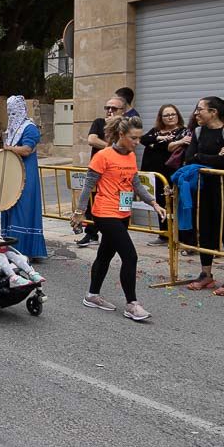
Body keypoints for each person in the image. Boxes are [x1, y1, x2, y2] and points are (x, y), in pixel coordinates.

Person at [71, 116, 165, 322]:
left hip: (123, 212)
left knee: (105, 255)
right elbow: (88, 186)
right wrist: (79, 212)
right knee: (130, 256)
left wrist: (154, 203)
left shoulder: (130, 155)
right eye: (134, 138)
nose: (137, 143)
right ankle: (132, 304)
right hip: (105, 212)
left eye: (139, 138)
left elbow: (136, 183)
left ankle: (92, 295)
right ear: (121, 135)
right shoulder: (103, 156)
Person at [182, 97, 224, 296]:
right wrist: (212, 158)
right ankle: (206, 274)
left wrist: (204, 158)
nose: (196, 113)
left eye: (200, 109)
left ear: (214, 112)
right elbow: (190, 158)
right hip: (205, 187)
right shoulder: (198, 131)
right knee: (206, 230)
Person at [0, 95, 48, 259]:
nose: (11, 115)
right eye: (9, 112)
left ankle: (25, 249)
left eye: (13, 111)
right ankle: (10, 245)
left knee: (23, 209)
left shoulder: (29, 128)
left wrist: (7, 148)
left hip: (26, 175)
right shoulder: (12, 128)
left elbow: (26, 149)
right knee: (10, 205)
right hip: (13, 173)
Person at [76, 97, 125, 247]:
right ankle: (91, 234)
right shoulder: (99, 122)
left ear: (122, 111)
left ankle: (118, 233)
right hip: (100, 170)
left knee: (121, 202)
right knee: (94, 200)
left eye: (114, 109)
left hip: (120, 172)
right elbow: (92, 139)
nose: (110, 111)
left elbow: (129, 145)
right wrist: (112, 149)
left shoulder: (126, 126)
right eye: (107, 108)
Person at [139, 104, 188, 241]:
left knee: (174, 204)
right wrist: (159, 139)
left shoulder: (183, 132)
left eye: (173, 114)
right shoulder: (156, 131)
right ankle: (164, 234)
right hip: (155, 175)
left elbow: (169, 148)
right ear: (161, 118)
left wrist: (158, 143)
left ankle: (179, 236)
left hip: (172, 173)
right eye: (166, 115)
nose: (170, 117)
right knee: (160, 203)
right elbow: (143, 140)